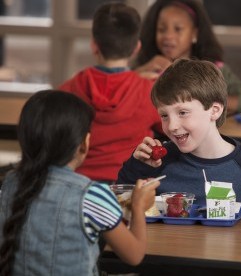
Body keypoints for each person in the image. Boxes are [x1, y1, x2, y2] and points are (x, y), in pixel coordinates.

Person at [0, 91, 160, 275]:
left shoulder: (10, 183)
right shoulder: (91, 194)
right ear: (84, 143)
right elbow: (134, 255)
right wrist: (138, 206)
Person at [118, 59, 241, 216]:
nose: (172, 125)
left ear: (214, 110)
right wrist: (138, 166)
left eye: (182, 113)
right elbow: (120, 206)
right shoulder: (158, 162)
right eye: (164, 115)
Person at [59, 2, 163, 183]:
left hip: (78, 187)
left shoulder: (68, 91)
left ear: (94, 45)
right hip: (129, 189)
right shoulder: (149, 92)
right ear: (136, 48)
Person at [133, 0, 241, 115]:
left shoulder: (214, 69)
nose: (168, 36)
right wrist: (136, 75)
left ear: (194, 34)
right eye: (161, 29)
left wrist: (202, 98)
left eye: (178, 29)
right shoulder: (147, 67)